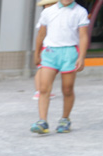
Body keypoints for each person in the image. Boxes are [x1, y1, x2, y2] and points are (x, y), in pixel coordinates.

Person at [31, 0, 90, 134]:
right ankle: (42, 121)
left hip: (69, 53)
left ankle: (65, 119)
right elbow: (41, 34)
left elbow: (83, 36)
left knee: (67, 89)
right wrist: (37, 53)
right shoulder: (48, 11)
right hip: (50, 52)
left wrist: (81, 57)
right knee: (44, 88)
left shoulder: (80, 12)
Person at [32, 0, 60, 101]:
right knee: (42, 69)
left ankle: (44, 89)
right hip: (46, 47)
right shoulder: (45, 17)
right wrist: (38, 51)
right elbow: (41, 33)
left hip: (50, 47)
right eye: (49, 4)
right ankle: (39, 90)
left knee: (49, 70)